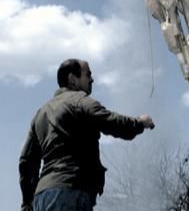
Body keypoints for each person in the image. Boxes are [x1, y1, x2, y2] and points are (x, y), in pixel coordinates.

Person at [19, 58, 155, 211]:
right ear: (72, 80)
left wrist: (27, 202)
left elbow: (26, 161)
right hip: (70, 192)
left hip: (42, 197)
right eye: (88, 75)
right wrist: (139, 123)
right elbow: (110, 121)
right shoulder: (80, 101)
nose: (92, 79)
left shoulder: (40, 114)